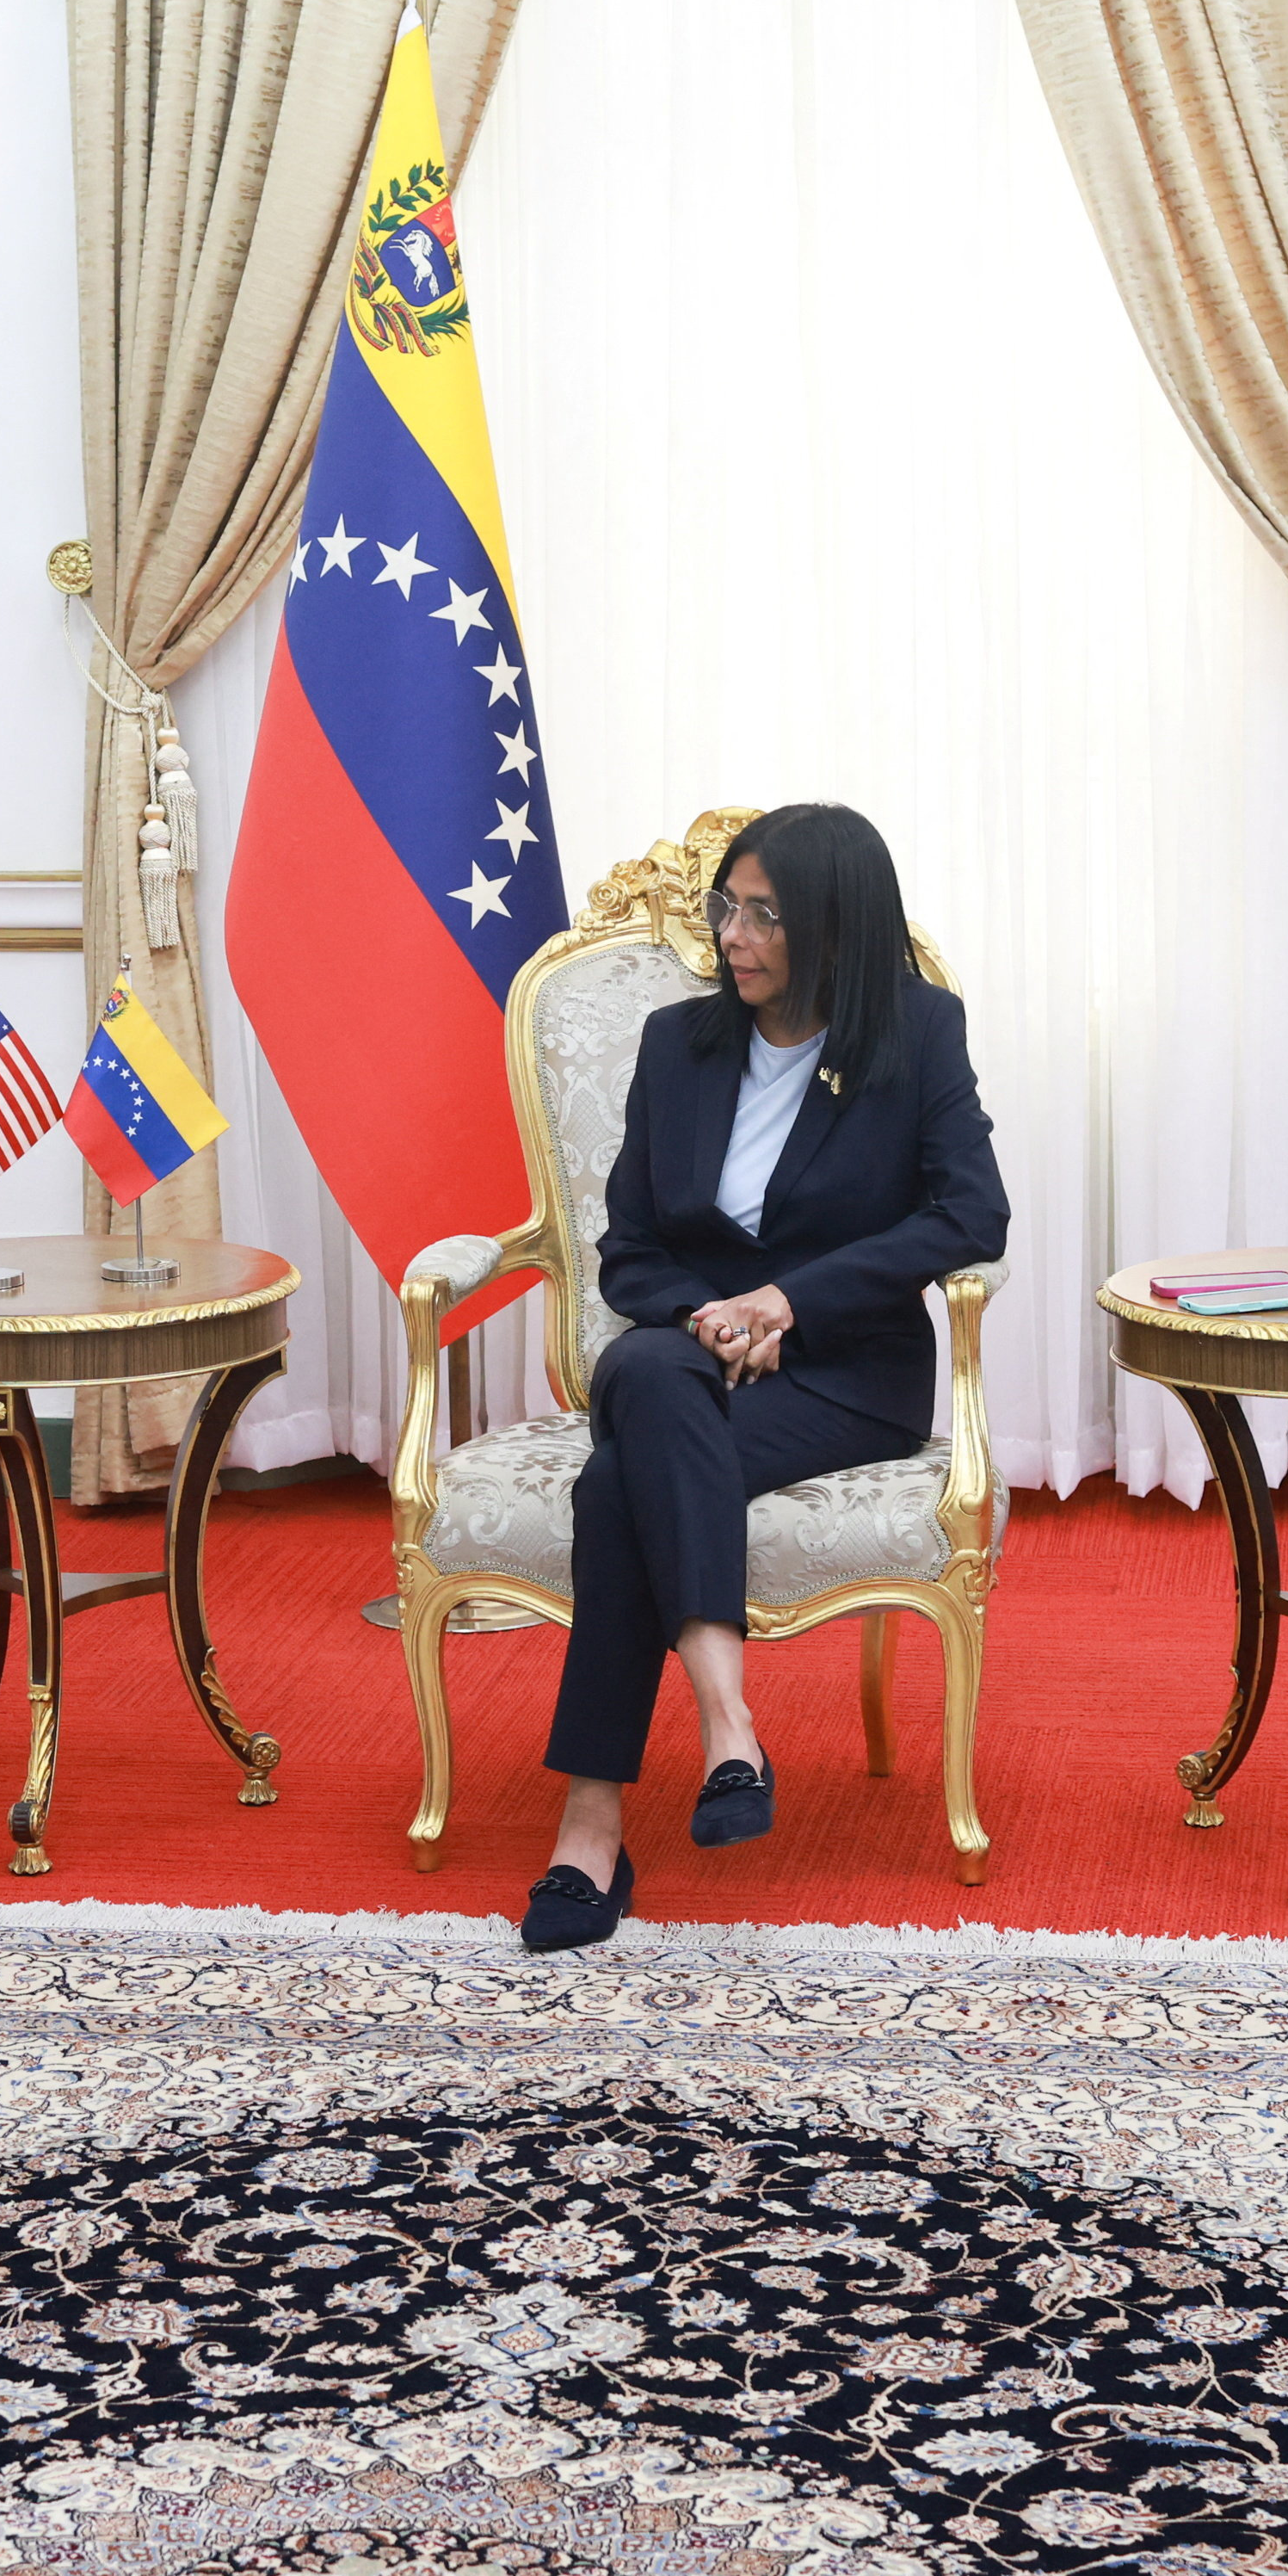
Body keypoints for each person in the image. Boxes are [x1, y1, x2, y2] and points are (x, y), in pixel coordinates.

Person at [518, 803, 1008, 1952]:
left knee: (614, 1489)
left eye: (764, 916)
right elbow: (628, 1248)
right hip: (685, 1356)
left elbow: (970, 1211)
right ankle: (725, 1724)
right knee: (644, 1364)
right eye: (725, 910)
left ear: (831, 927)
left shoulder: (918, 1034)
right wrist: (715, 1317)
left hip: (845, 1373)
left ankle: (592, 1825)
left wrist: (793, 1301)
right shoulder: (676, 1045)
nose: (733, 936)